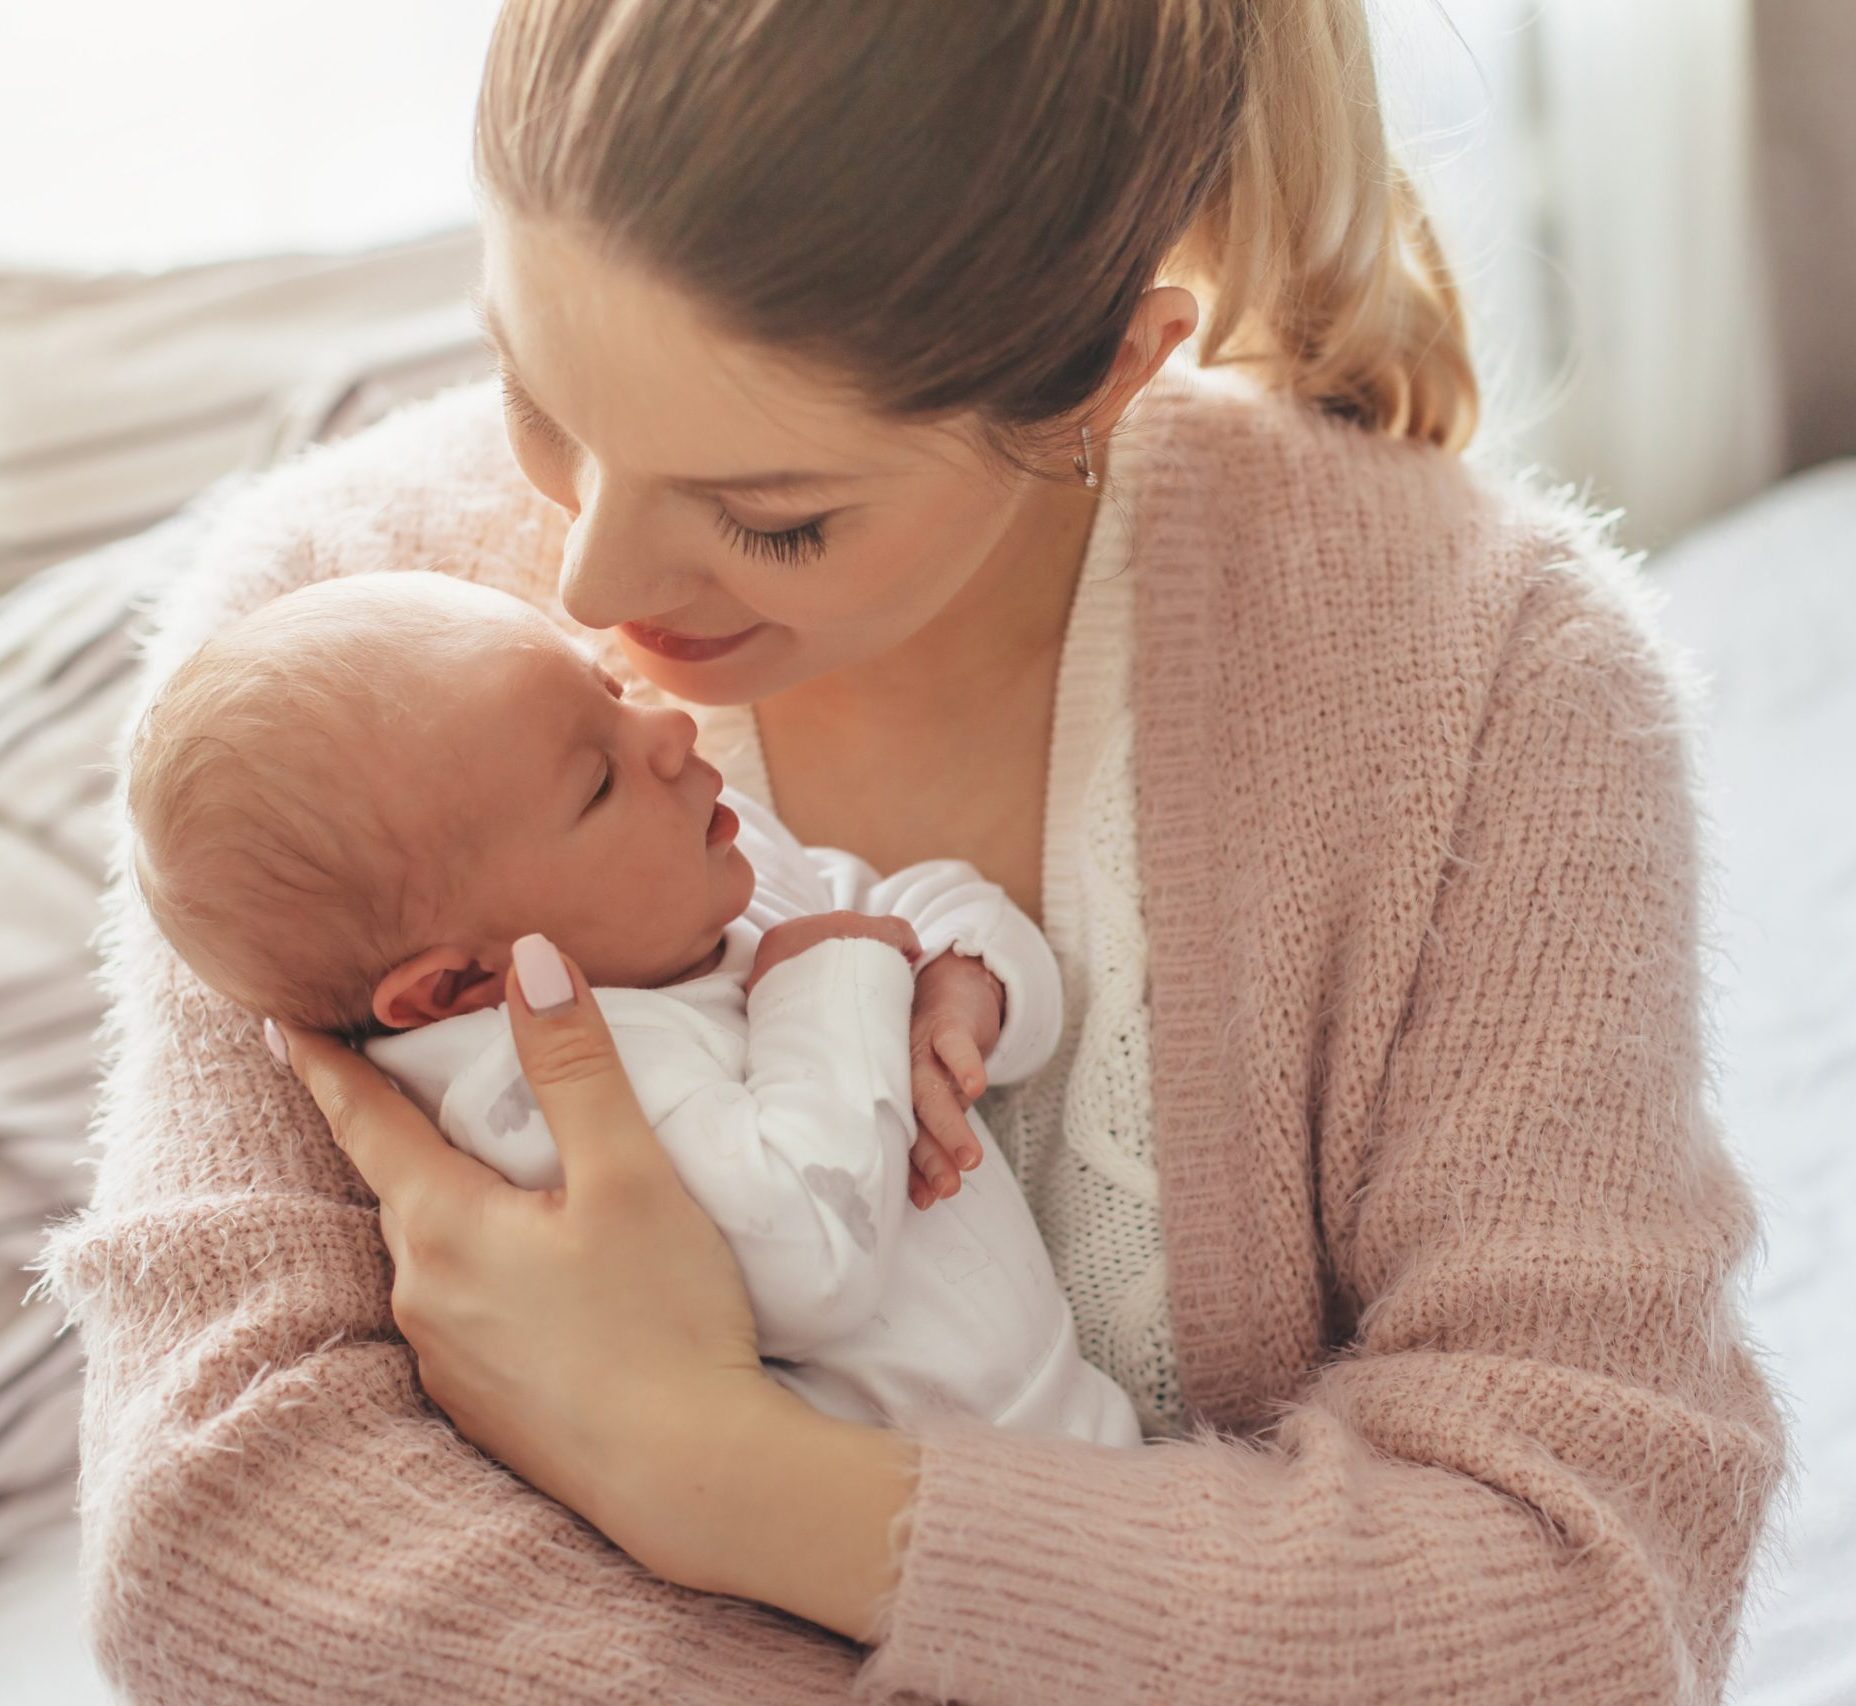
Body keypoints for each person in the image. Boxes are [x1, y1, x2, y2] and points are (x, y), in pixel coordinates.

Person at [45, 2, 1783, 1700]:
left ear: (1105, 374)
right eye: (537, 394)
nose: (592, 590)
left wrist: (714, 1477)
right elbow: (220, 1546)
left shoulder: (1488, 683)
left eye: (772, 516)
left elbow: (1579, 1603)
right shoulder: (321, 660)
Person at [124, 569, 1140, 1446]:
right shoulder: (538, 1094)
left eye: (607, 687)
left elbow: (919, 902)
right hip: (916, 1509)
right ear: (455, 986)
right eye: (597, 781)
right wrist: (826, 976)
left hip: (1071, 1421)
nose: (665, 727)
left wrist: (962, 983)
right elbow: (809, 1262)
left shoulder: (703, 888)